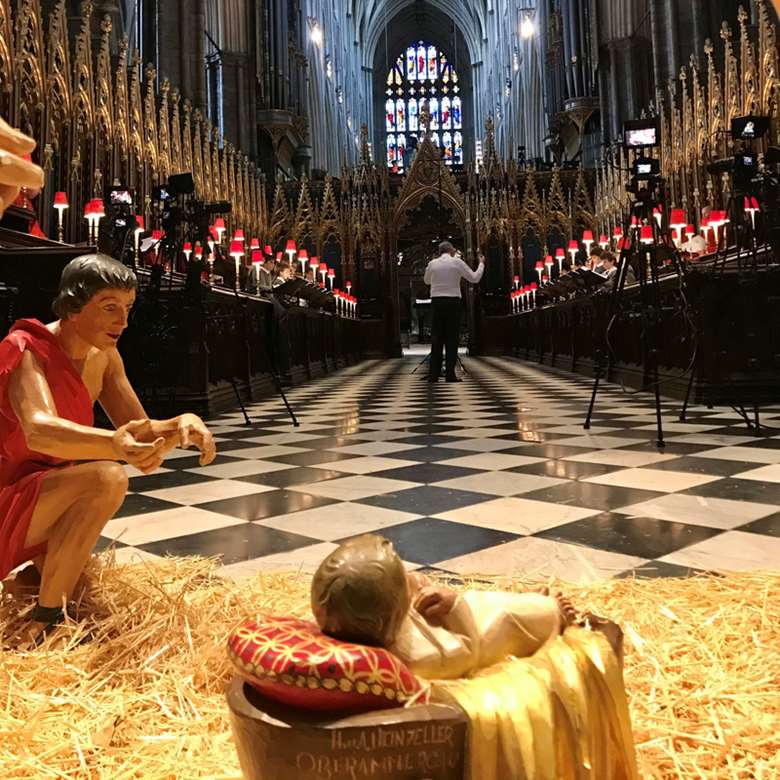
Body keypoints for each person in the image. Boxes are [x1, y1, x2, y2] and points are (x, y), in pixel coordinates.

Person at [0, 253, 217, 647]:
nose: (123, 321)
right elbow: (39, 431)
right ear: (72, 304)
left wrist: (180, 425)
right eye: (109, 308)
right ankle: (47, 620)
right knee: (106, 477)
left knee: (84, 592)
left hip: (50, 495)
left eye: (128, 308)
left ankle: (34, 587)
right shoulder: (25, 347)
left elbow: (139, 431)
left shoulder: (105, 357)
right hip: (8, 497)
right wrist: (114, 447)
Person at [311, 534, 577, 680]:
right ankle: (554, 613)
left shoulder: (369, 621)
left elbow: (416, 587)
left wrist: (421, 590)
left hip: (457, 616)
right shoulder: (418, 659)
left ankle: (533, 604)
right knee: (503, 614)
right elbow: (468, 652)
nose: (413, 578)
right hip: (479, 634)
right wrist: (454, 607)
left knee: (479, 598)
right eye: (403, 580)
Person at [423, 241, 484, 383]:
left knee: (437, 337)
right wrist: (481, 263)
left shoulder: (432, 263)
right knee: (452, 337)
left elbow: (426, 281)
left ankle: (433, 375)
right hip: (453, 302)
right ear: (451, 251)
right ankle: (450, 374)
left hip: (437, 302)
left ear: (440, 252)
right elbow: (474, 278)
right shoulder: (457, 262)